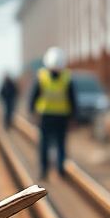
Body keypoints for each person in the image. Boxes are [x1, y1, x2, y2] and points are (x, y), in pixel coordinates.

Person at [28, 46, 77, 179]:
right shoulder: (67, 77)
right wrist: (73, 116)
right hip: (62, 116)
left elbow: (33, 96)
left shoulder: (41, 77)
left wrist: (31, 111)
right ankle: (60, 169)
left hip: (45, 116)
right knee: (60, 144)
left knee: (44, 144)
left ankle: (44, 171)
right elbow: (72, 99)